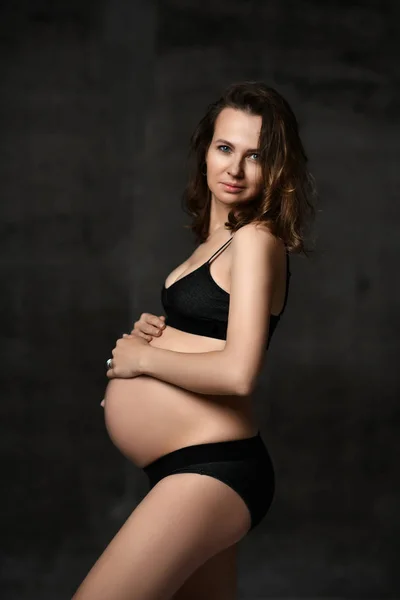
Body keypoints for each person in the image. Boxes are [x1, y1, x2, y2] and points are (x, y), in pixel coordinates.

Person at [73, 81, 316, 600]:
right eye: (225, 148)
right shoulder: (217, 239)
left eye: (256, 156)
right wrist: (156, 339)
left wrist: (144, 362)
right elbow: (210, 335)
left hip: (214, 467)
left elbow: (237, 372)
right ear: (205, 150)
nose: (235, 168)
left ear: (277, 168)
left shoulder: (255, 239)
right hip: (190, 465)